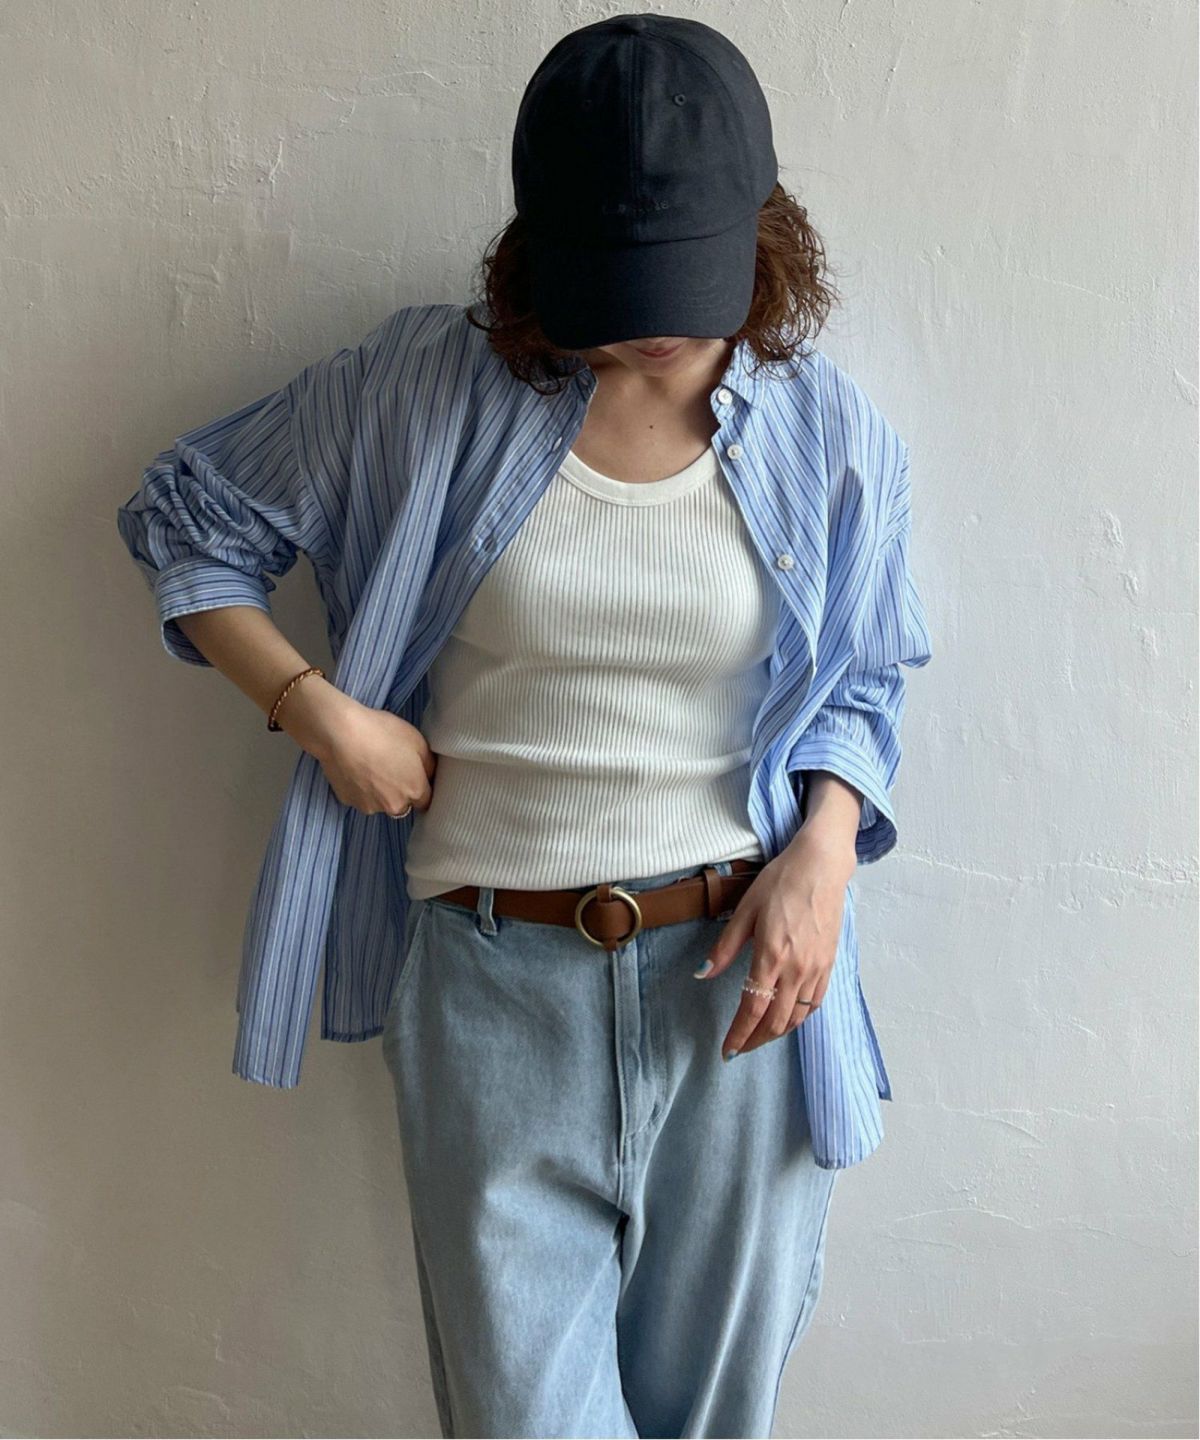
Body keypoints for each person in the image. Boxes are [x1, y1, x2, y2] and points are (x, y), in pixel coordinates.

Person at [115, 13, 934, 1438]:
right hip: (492, 989)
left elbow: (867, 677)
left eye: (682, 278)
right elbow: (185, 515)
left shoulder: (829, 433)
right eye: (612, 283)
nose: (651, 323)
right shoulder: (423, 389)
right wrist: (321, 714)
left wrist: (825, 850)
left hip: (741, 990)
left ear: (762, 236)